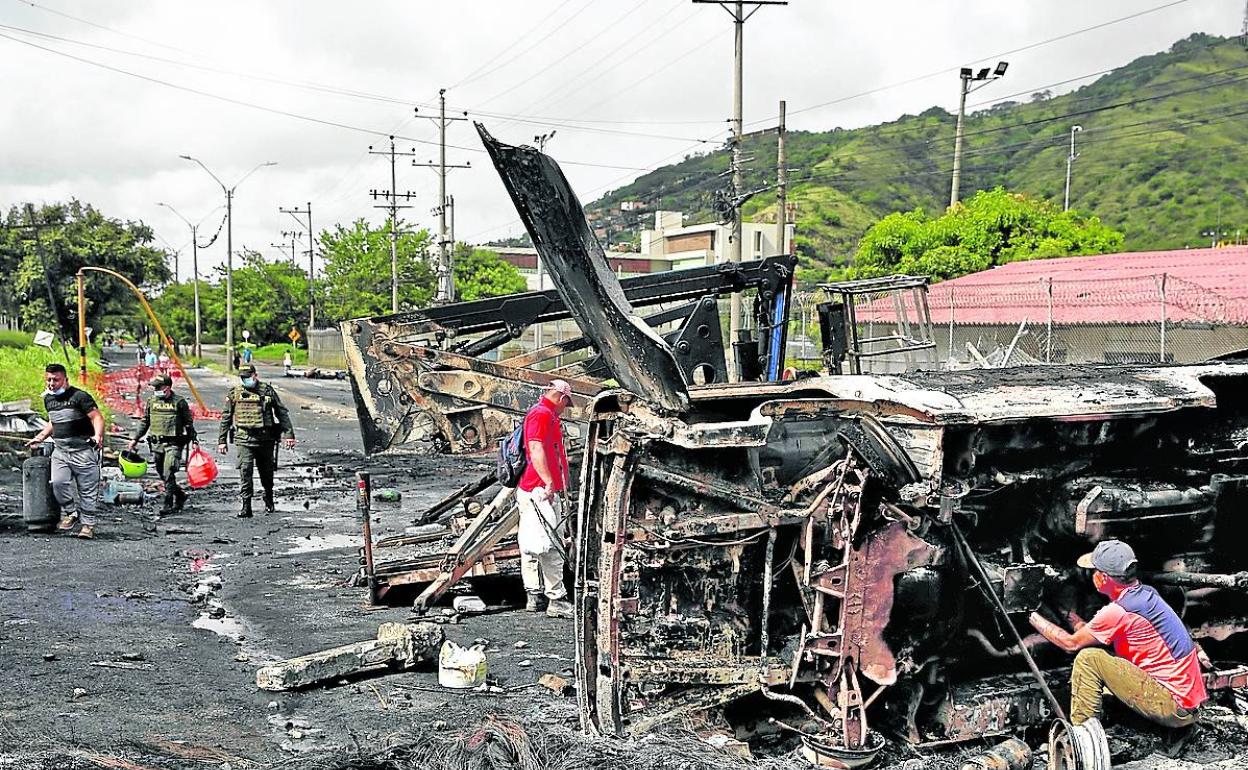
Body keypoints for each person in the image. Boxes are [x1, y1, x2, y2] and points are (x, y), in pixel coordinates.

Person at [1028, 539, 1207, 754]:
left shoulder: (1118, 611)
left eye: (1095, 571)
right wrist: (1068, 614)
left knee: (1088, 658)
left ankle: (1082, 743)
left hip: (1172, 706)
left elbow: (1070, 644)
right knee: (1104, 657)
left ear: (1103, 577)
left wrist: (1030, 614)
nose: (1092, 575)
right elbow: (1092, 631)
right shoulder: (1146, 594)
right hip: (1187, 703)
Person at [515, 380, 574, 619]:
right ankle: (556, 598)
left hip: (532, 488)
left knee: (531, 543)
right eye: (566, 403)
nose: (565, 408)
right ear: (561, 398)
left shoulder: (541, 413)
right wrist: (549, 482)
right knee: (552, 545)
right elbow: (536, 448)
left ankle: (534, 594)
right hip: (540, 490)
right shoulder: (542, 415)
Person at [25, 363, 105, 539]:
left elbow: (97, 417)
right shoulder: (48, 399)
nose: (51, 384)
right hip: (60, 452)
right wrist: (40, 437)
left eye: (56, 380)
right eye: (48, 380)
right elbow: (53, 422)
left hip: (83, 451)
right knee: (58, 483)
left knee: (87, 490)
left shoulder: (80, 397)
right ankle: (71, 512)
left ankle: (87, 526)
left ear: (65, 380)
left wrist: (98, 436)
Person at [216, 364, 295, 518]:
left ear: (255, 375)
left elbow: (281, 412)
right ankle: (246, 505)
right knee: (245, 470)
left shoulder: (267, 391)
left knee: (267, 472)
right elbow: (226, 417)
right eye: (243, 377)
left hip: (265, 439)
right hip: (244, 438)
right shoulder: (235, 393)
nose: (245, 380)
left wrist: (289, 434)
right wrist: (222, 440)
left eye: (248, 376)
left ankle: (268, 496)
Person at [127, 374, 197, 527]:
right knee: (162, 473)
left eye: (159, 387)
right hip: (157, 444)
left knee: (169, 471)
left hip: (174, 443)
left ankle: (168, 503)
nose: (156, 390)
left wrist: (194, 441)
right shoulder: (152, 401)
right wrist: (135, 439)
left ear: (167, 388)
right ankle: (180, 495)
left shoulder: (179, 402)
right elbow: (145, 421)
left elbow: (188, 423)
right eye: (155, 387)